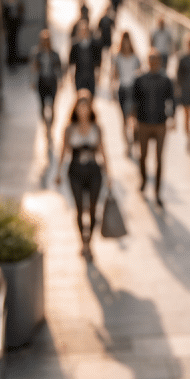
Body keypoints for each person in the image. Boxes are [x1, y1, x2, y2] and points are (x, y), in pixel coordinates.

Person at [56, 90, 109, 257]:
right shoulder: (70, 129)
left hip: (94, 171)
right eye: (80, 107)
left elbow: (103, 151)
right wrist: (58, 172)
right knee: (79, 208)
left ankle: (89, 240)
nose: (83, 110)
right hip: (75, 171)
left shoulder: (97, 128)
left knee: (93, 208)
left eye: (86, 107)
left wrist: (109, 174)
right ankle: (82, 241)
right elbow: (63, 151)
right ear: (76, 109)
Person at [132, 49, 177, 207]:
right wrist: (133, 119)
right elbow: (134, 99)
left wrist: (172, 117)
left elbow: (172, 99)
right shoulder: (140, 79)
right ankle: (144, 180)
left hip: (160, 123)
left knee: (159, 158)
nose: (153, 64)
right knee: (142, 155)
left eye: (156, 61)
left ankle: (158, 191)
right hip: (143, 122)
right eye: (151, 61)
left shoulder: (166, 80)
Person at [111, 32, 141, 155]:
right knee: (123, 119)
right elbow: (114, 75)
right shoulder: (117, 57)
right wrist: (112, 89)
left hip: (134, 89)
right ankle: (127, 145)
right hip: (123, 89)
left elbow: (140, 74)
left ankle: (134, 140)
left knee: (134, 118)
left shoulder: (135, 57)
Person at [30, 29, 62, 135]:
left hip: (52, 81)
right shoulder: (37, 53)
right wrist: (33, 81)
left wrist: (61, 80)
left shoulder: (54, 54)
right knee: (43, 105)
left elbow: (59, 68)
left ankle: (51, 125)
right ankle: (44, 124)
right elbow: (33, 68)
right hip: (42, 81)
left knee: (53, 105)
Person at [68, 19, 100, 97]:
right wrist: (71, 76)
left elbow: (97, 61)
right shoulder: (75, 45)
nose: (84, 32)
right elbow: (71, 62)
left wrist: (98, 75)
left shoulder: (94, 44)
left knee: (91, 96)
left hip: (90, 75)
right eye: (81, 30)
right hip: (79, 76)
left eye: (85, 30)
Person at [2, 0, 24, 68]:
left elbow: (20, 13)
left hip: (15, 27)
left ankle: (15, 59)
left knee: (15, 44)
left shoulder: (18, 5)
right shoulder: (6, 7)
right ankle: (10, 61)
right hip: (9, 28)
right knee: (10, 45)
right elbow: (4, 18)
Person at [96, 8, 116, 77]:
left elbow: (114, 27)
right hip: (103, 39)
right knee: (102, 54)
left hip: (107, 39)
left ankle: (107, 66)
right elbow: (98, 29)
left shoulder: (110, 19)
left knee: (108, 54)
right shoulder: (102, 19)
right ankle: (102, 66)